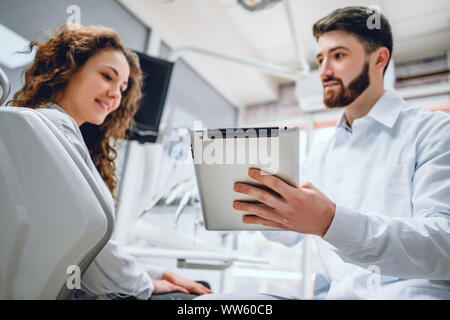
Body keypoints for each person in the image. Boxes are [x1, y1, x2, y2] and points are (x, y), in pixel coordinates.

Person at [201, 6, 450, 300]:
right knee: (210, 303)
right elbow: (290, 233)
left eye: (338, 55)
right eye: (320, 59)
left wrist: (331, 221)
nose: (324, 71)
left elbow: (443, 243)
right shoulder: (321, 153)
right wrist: (257, 205)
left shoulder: (433, 130)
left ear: (379, 59)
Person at [7, 24, 212, 300]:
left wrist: (156, 274)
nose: (116, 94)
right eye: (107, 76)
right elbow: (93, 260)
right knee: (200, 297)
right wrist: (147, 284)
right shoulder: (51, 132)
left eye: (123, 87)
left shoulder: (40, 134)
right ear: (68, 67)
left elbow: (85, 252)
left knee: (193, 286)